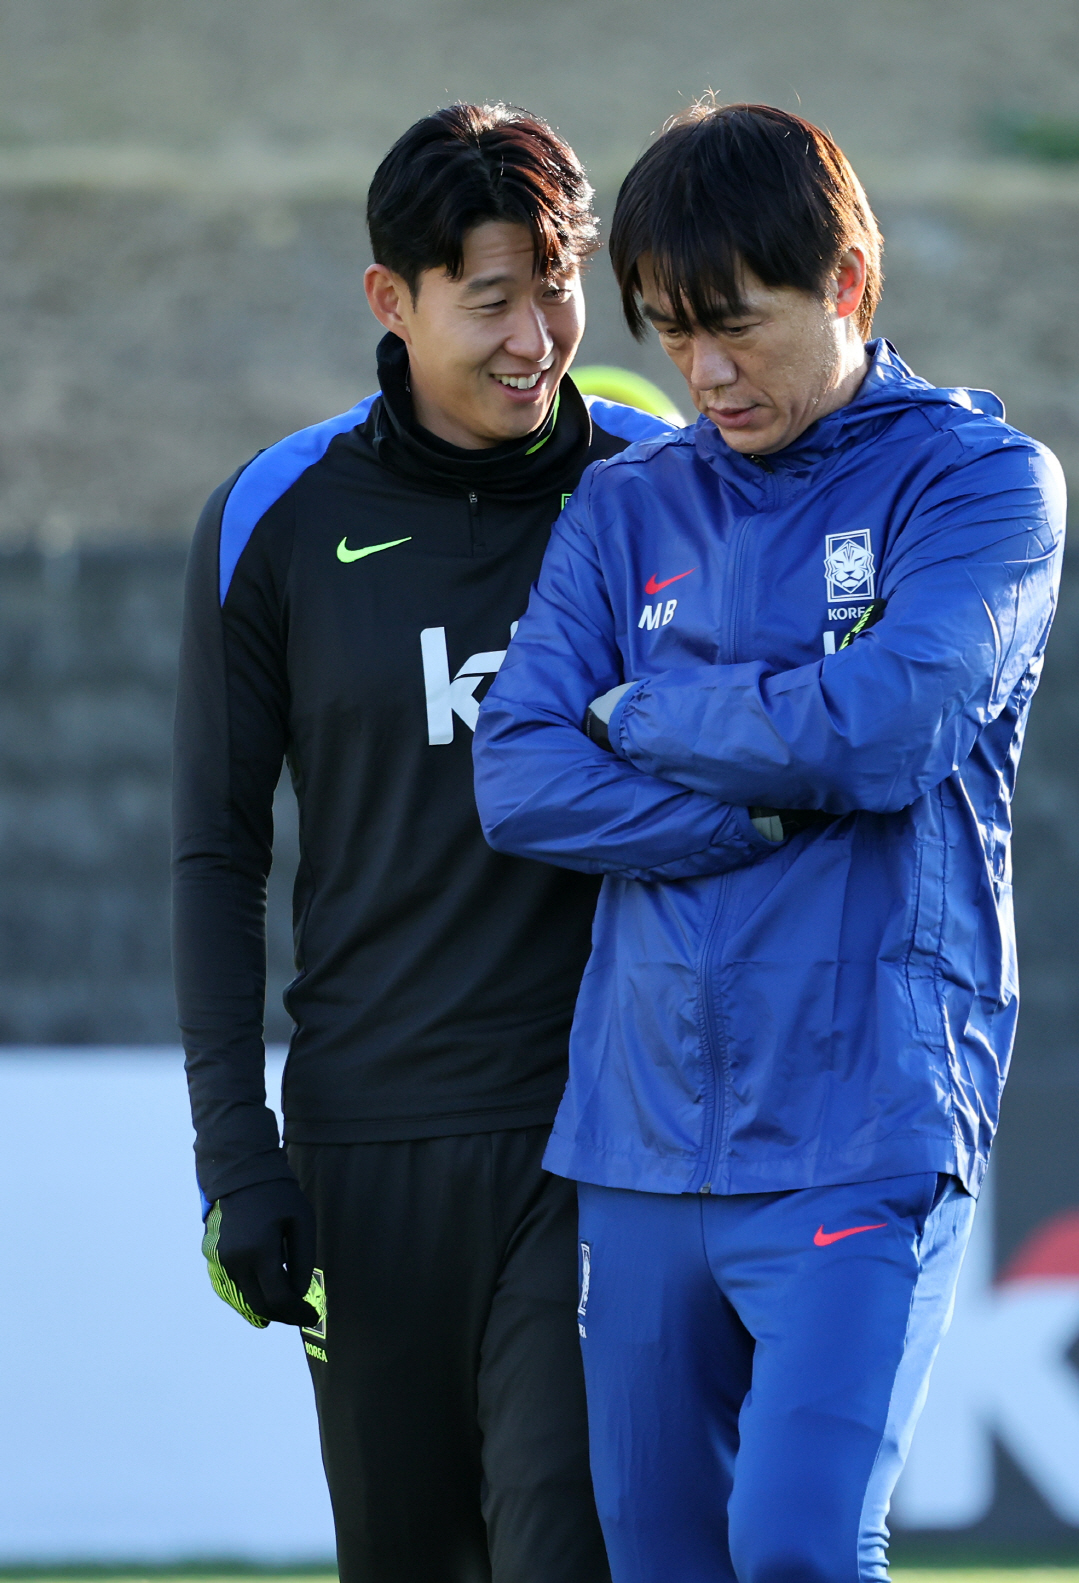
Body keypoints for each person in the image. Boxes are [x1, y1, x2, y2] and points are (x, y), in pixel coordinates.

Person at [473, 101, 1066, 1583]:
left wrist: (654, 709)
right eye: (674, 332)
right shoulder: (621, 507)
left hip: (867, 1117)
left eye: (736, 326)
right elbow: (523, 778)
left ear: (848, 288)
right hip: (640, 1128)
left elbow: (886, 732)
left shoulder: (981, 484)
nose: (704, 373)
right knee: (662, 1562)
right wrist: (755, 795)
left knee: (801, 1548)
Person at [172, 102, 673, 1583]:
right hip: (363, 1153)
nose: (539, 337)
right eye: (495, 298)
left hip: (605, 1139)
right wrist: (234, 1156)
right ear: (392, 301)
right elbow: (215, 854)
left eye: (561, 288)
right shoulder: (271, 518)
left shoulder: (662, 488)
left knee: (564, 1546)